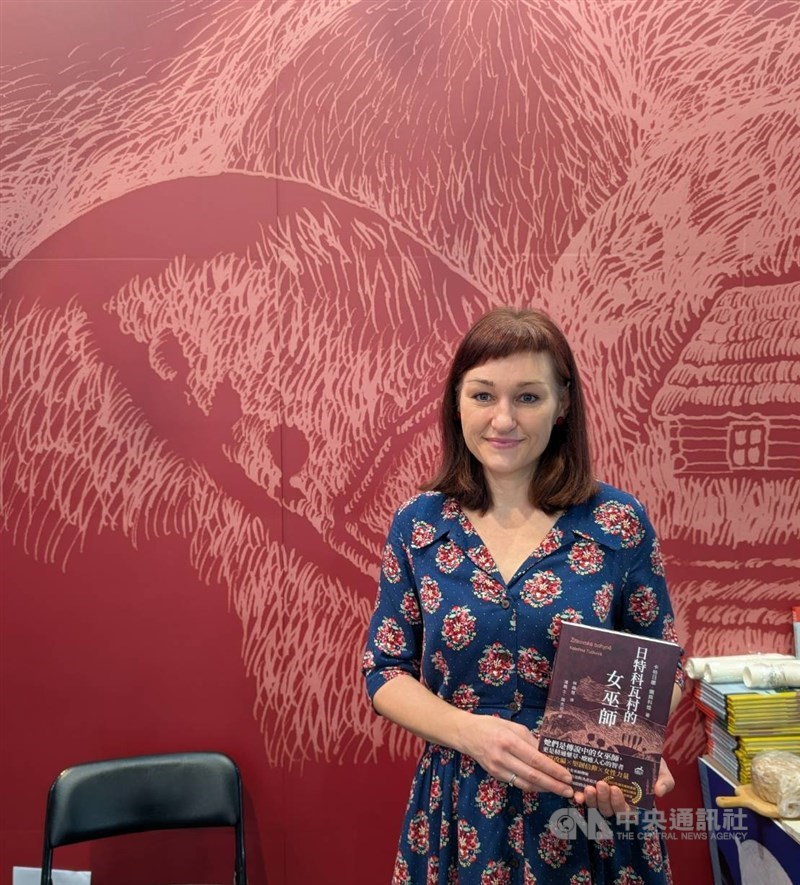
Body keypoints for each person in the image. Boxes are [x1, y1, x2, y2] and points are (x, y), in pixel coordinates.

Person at [362, 307, 684, 884]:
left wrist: (634, 753)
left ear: (563, 405)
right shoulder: (419, 524)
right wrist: (470, 732)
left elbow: (662, 661)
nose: (503, 419)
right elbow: (385, 671)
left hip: (589, 810)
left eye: (528, 397)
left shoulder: (616, 522)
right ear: (456, 402)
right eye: (483, 395)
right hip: (462, 808)